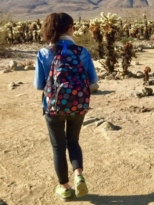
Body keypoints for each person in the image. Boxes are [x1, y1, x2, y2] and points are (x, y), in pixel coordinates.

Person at [33, 13, 98, 201]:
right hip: (78, 105)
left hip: (53, 108)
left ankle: (65, 188)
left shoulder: (44, 53)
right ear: (71, 29)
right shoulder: (82, 52)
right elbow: (93, 80)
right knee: (74, 141)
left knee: (58, 147)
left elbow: (39, 85)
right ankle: (78, 175)